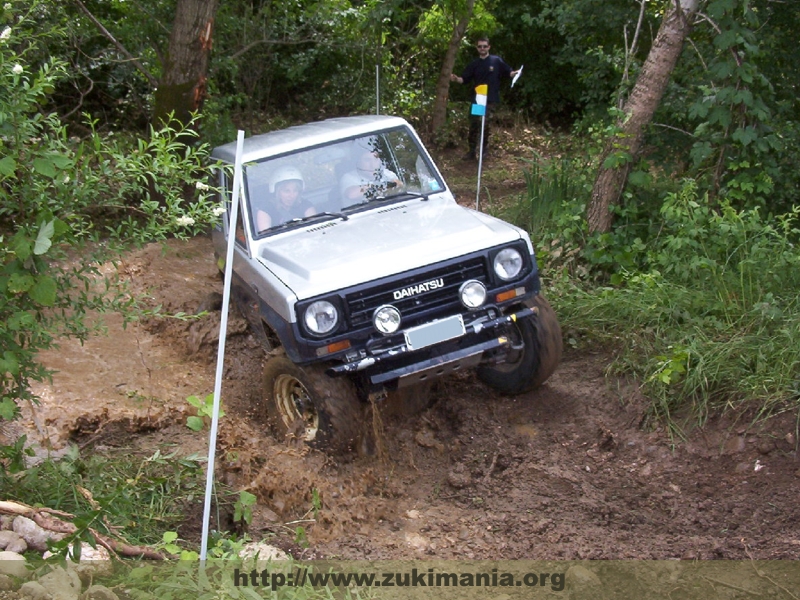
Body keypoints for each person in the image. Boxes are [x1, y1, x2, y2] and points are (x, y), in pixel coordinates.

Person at [450, 37, 519, 160]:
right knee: (474, 124)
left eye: (484, 46)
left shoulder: (496, 61)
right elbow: (464, 79)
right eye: (480, 46)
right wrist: (456, 79)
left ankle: (483, 151)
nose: (482, 48)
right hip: (477, 100)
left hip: (490, 99)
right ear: (477, 48)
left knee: (485, 124)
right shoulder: (474, 64)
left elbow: (508, 72)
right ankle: (471, 151)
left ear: (489, 47)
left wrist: (515, 73)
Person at [255, 165, 315, 231]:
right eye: (287, 191)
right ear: (277, 191)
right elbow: (266, 236)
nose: (292, 195)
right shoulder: (266, 210)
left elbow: (314, 228)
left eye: (295, 190)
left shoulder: (306, 205)